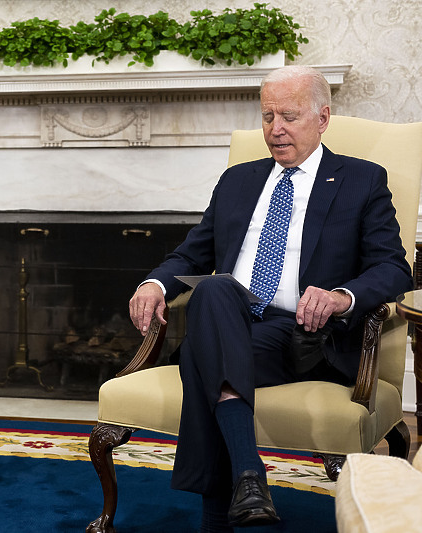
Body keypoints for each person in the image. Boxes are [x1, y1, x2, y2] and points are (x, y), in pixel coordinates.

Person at [128, 66, 412, 531]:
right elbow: (191, 254)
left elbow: (393, 267)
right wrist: (154, 285)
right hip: (232, 320)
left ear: (322, 119)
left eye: (289, 116)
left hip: (302, 335)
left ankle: (219, 514)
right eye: (267, 116)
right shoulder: (238, 180)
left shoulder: (362, 180)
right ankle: (249, 477)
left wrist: (343, 296)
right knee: (217, 289)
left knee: (206, 357)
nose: (275, 129)